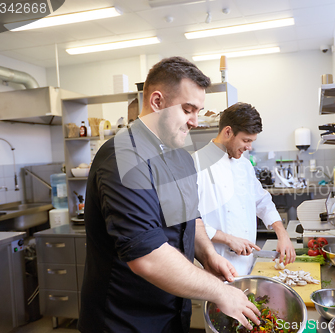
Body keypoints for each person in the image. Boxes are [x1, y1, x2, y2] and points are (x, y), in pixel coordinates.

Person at [78, 57, 260, 333]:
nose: (195, 122)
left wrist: (208, 254)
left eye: (198, 111)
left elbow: (191, 217)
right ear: (157, 102)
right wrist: (220, 292)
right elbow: (147, 257)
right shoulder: (123, 157)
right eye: (188, 110)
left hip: (172, 314)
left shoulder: (180, 156)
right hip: (124, 320)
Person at [192, 102, 296, 276]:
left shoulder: (245, 165)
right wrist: (228, 239)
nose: (249, 147)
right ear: (227, 132)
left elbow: (262, 201)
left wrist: (282, 233)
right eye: (246, 140)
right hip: (213, 268)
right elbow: (190, 221)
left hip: (246, 265)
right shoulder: (196, 164)